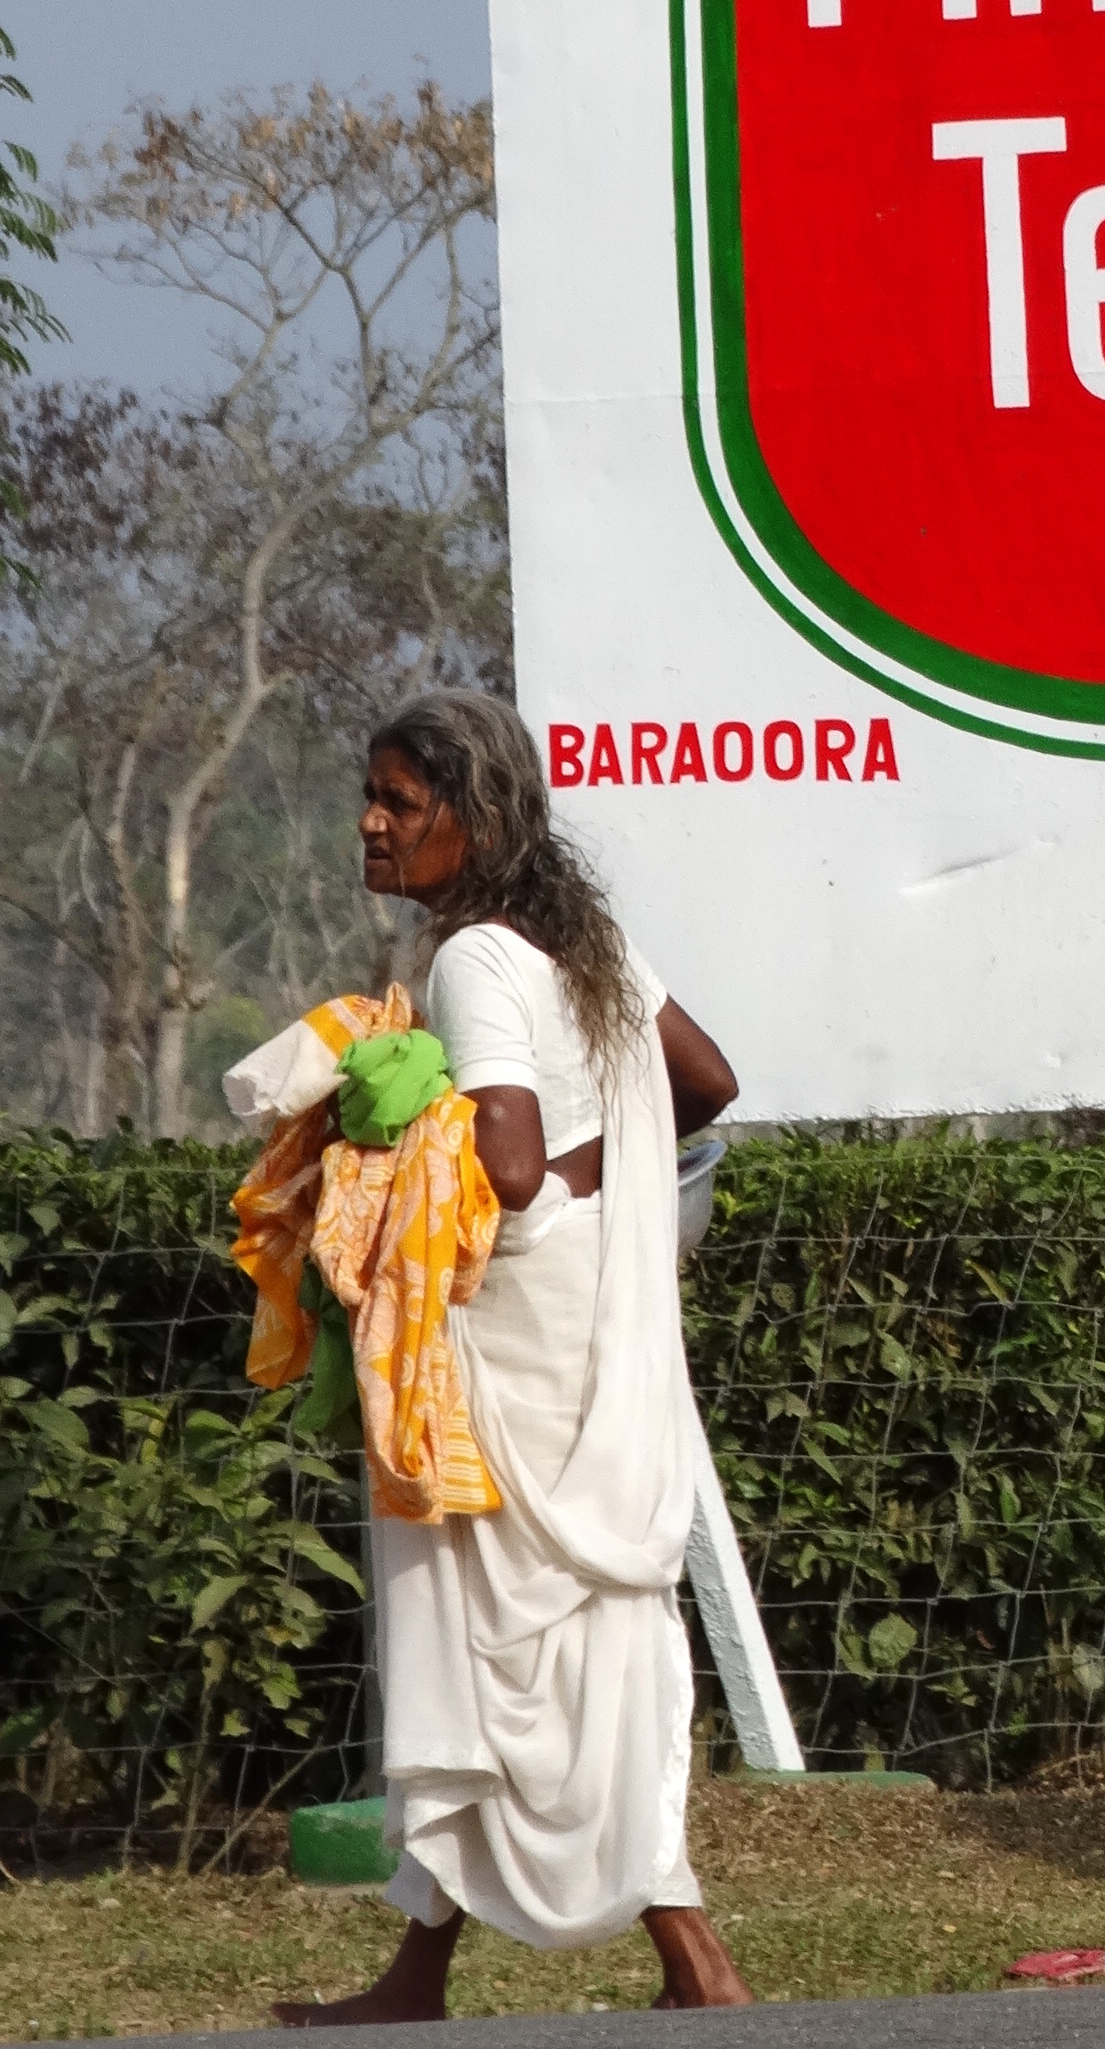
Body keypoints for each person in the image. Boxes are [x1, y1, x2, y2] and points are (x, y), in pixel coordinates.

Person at [272, 690, 754, 2021]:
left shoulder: (476, 958)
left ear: (471, 822)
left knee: (497, 1634)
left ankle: (692, 1960)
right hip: (601, 1308)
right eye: (368, 797)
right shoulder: (581, 939)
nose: (371, 823)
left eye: (399, 803)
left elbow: (508, 1158)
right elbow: (706, 1079)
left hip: (511, 1331)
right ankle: (445, 1970)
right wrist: (623, 1172)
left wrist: (371, 1144)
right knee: (567, 1628)